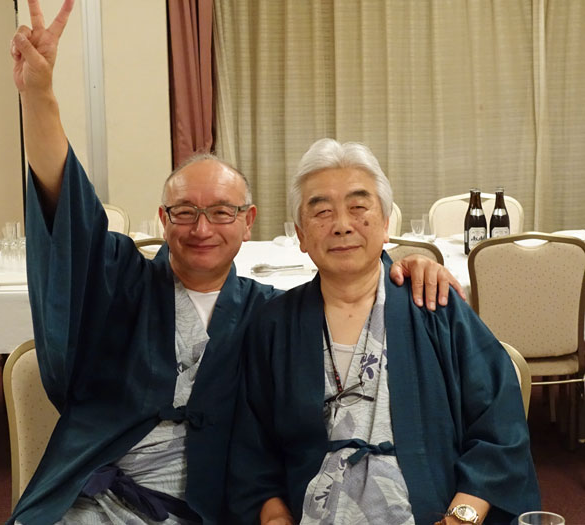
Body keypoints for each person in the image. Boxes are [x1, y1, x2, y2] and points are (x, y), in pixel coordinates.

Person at [9, 2, 465, 524]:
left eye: (222, 212)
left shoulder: (270, 314)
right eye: (185, 211)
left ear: (248, 222)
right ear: (163, 219)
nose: (202, 229)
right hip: (100, 497)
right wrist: (40, 96)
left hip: (209, 506)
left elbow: (352, 282)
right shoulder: (121, 282)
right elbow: (69, 216)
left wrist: (407, 264)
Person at [226, 139, 540, 525]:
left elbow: (500, 427)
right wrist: (275, 518)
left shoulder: (435, 305)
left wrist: (461, 518)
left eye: (358, 208)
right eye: (322, 212)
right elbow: (252, 452)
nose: (342, 225)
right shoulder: (274, 326)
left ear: (386, 223)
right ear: (301, 235)